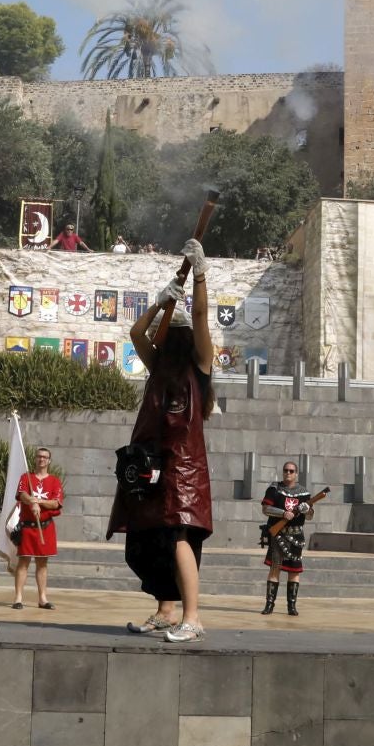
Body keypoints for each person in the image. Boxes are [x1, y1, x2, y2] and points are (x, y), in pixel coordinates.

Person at [108, 238, 215, 644]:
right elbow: (136, 332)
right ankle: (165, 611)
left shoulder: (200, 365)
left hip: (184, 467)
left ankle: (193, 617)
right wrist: (159, 301)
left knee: (179, 537)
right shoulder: (157, 364)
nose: (173, 336)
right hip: (154, 464)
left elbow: (202, 316)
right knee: (148, 539)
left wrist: (200, 274)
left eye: (175, 331)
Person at [11, 448, 64, 608]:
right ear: (35, 459)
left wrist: (39, 502)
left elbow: (56, 503)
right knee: (23, 562)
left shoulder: (54, 481)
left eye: (45, 457)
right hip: (27, 527)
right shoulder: (26, 478)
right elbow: (21, 494)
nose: (41, 459)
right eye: (39, 456)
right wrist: (30, 501)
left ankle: (42, 599)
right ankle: (18, 598)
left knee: (42, 564)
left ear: (49, 461)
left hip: (45, 527)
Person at [260, 460, 312, 616]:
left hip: (296, 535)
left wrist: (307, 509)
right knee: (275, 569)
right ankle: (269, 605)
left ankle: (292, 606)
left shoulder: (304, 493)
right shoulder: (274, 489)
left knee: (294, 572)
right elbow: (265, 509)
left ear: (296, 474)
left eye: (291, 471)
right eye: (286, 470)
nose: (288, 473)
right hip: (279, 534)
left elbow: (310, 516)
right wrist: (283, 514)